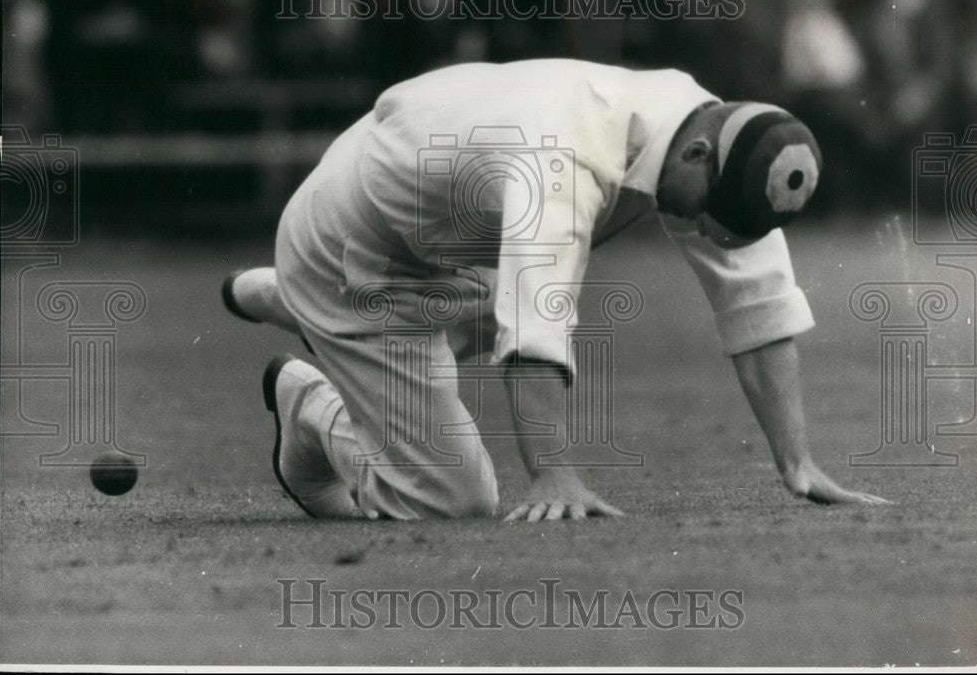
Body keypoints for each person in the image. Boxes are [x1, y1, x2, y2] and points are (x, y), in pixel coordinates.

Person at [222, 59, 892, 522]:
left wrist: (797, 461)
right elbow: (535, 322)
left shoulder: (706, 125)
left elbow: (756, 300)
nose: (707, 233)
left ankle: (294, 301)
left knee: (515, 287)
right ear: (696, 155)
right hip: (355, 251)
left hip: (446, 243)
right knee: (453, 501)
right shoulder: (562, 156)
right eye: (710, 216)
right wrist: (552, 471)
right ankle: (313, 399)